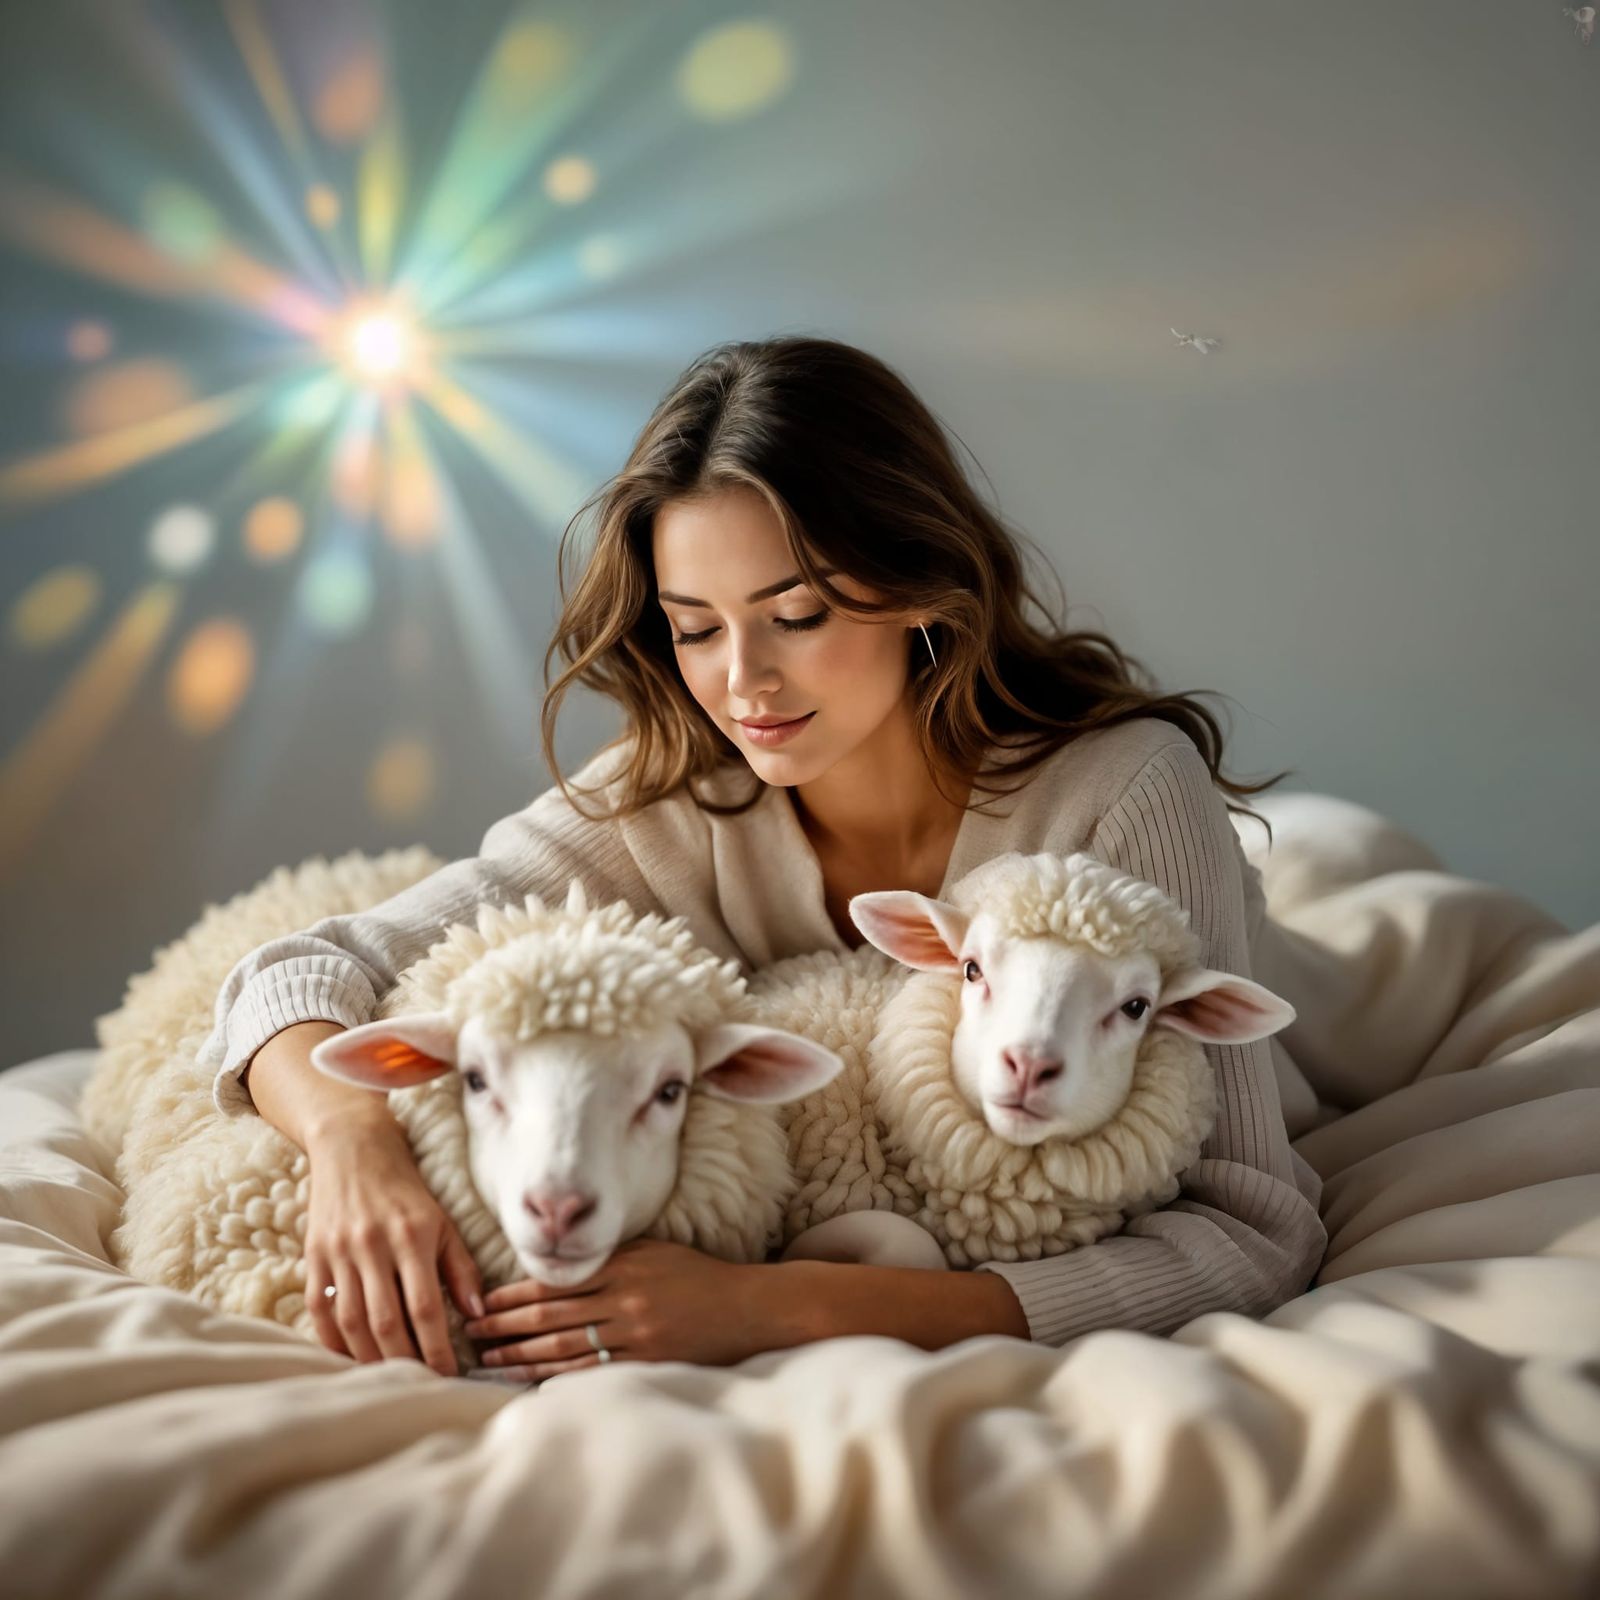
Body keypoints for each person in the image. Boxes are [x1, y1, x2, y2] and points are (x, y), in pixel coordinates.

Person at [198, 335, 1326, 1384]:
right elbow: (292, 973)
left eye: (796, 614)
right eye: (694, 627)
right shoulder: (664, 798)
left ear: (917, 585)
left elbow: (1250, 1228)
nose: (744, 682)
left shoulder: (1121, 794)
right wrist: (355, 1142)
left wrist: (778, 1307)